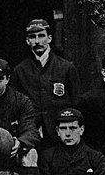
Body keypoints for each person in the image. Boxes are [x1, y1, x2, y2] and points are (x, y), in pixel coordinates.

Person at [11, 19, 80, 148]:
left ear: (49, 38)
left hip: (59, 133)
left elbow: (75, 103)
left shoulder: (66, 67)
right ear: (27, 41)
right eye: (32, 37)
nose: (37, 41)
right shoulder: (19, 71)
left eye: (41, 36)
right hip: (30, 133)